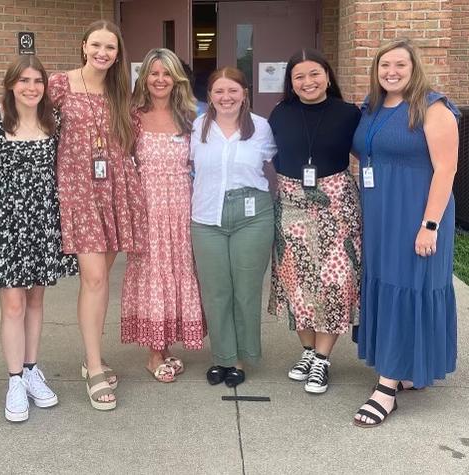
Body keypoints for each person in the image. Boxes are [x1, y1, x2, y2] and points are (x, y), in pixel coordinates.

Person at [351, 39, 459, 427]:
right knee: (388, 284)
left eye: (400, 65)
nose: (391, 72)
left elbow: (446, 170)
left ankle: (385, 389)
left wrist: (429, 224)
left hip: (417, 215)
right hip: (380, 216)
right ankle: (407, 365)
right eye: (384, 66)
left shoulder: (433, 108)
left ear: (415, 68)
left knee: (409, 286)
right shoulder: (373, 107)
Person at [0, 55, 78, 422]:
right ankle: (14, 378)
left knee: (35, 301)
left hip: (44, 217)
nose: (31, 87)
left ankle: (32, 370)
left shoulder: (54, 120)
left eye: (37, 81)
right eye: (24, 80)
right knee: (13, 304)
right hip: (4, 219)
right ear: (11, 84)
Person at [48, 20, 147, 410]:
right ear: (83, 46)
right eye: (97, 45)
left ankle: (95, 356)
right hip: (78, 190)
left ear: (118, 54)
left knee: (100, 279)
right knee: (92, 277)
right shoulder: (59, 84)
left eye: (110, 48)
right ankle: (93, 365)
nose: (102, 53)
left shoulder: (123, 93)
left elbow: (136, 138)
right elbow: (31, 120)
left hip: (117, 189)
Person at [267, 48, 362, 394]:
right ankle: (308, 351)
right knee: (297, 282)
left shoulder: (349, 113)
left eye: (314, 74)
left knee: (334, 283)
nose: (308, 82)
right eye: (299, 77)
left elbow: (369, 152)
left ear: (327, 76)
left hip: (336, 206)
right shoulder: (279, 113)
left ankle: (322, 359)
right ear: (291, 83)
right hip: (291, 206)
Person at [121, 48, 204, 382]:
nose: (159, 79)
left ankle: (166, 345)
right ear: (144, 78)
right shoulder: (132, 115)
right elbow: (121, 161)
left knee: (177, 271)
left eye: (166, 73)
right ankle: (153, 354)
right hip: (147, 207)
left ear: (176, 78)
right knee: (153, 273)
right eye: (153, 73)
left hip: (182, 205)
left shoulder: (190, 115)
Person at [190, 67, 276, 387]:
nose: (226, 97)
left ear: (245, 94)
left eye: (233, 91)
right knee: (216, 291)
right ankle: (221, 357)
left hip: (252, 215)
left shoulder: (263, 129)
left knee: (245, 289)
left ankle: (240, 358)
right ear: (210, 96)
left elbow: (287, 161)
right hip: (206, 216)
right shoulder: (196, 127)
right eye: (219, 92)